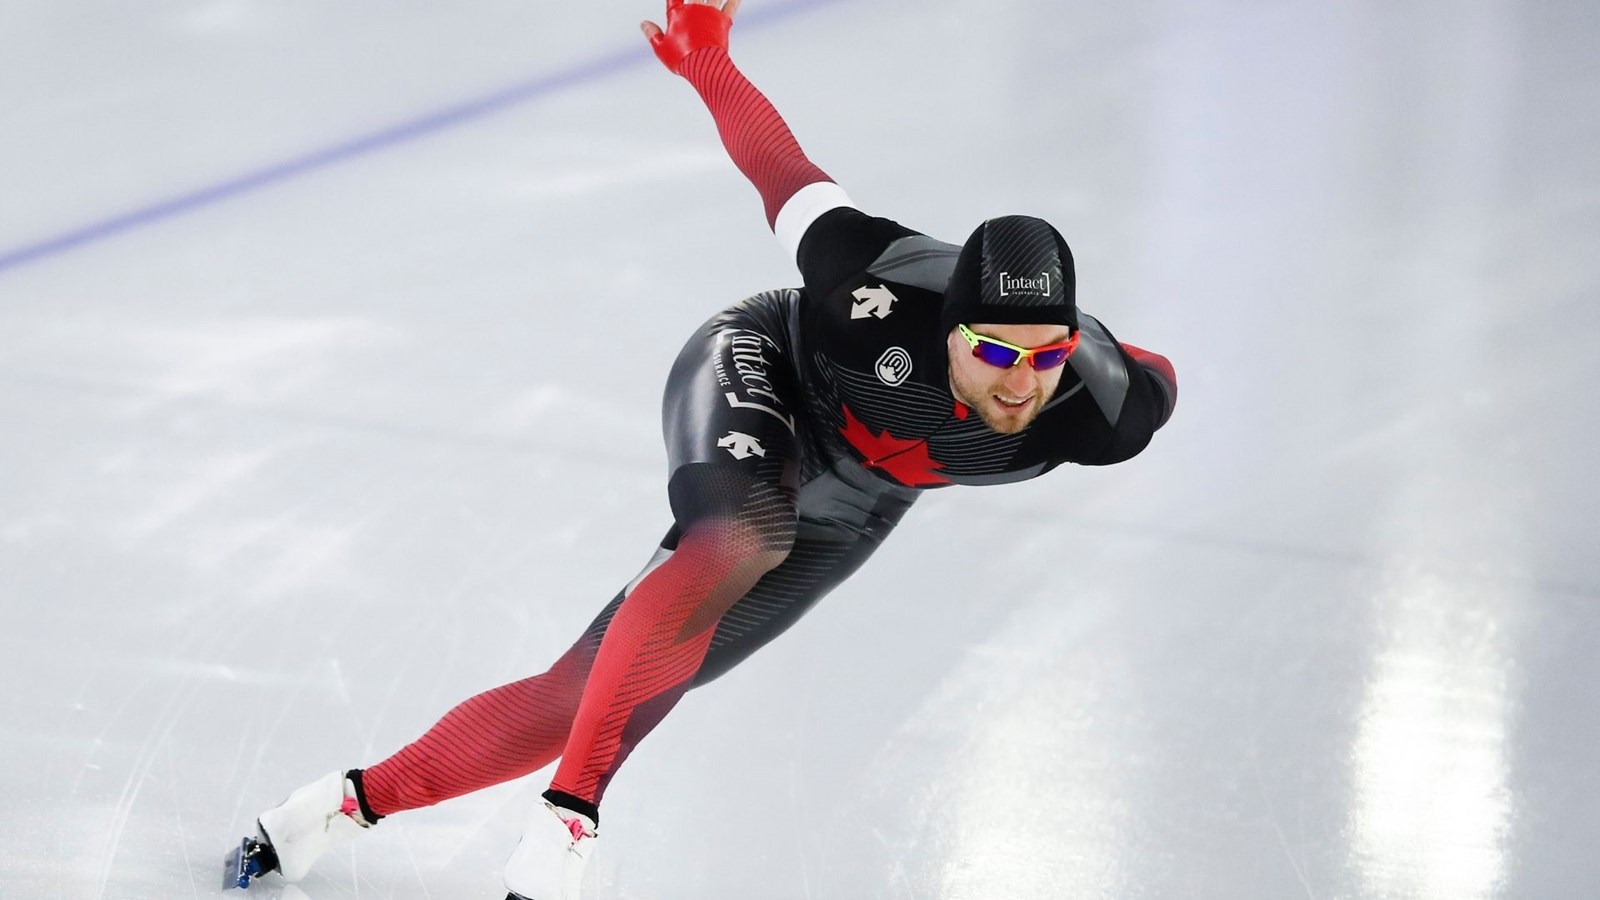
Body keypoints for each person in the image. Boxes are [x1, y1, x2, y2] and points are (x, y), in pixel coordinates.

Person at [227, 1, 1178, 897]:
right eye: (995, 353)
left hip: (862, 497)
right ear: (948, 333)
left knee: (598, 690)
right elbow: (787, 174)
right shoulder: (870, 289)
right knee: (743, 534)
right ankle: (570, 819)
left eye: (1045, 355)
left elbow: (1156, 368)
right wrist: (709, 60)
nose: (1021, 382)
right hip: (766, 367)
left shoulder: (1102, 409)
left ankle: (335, 809)